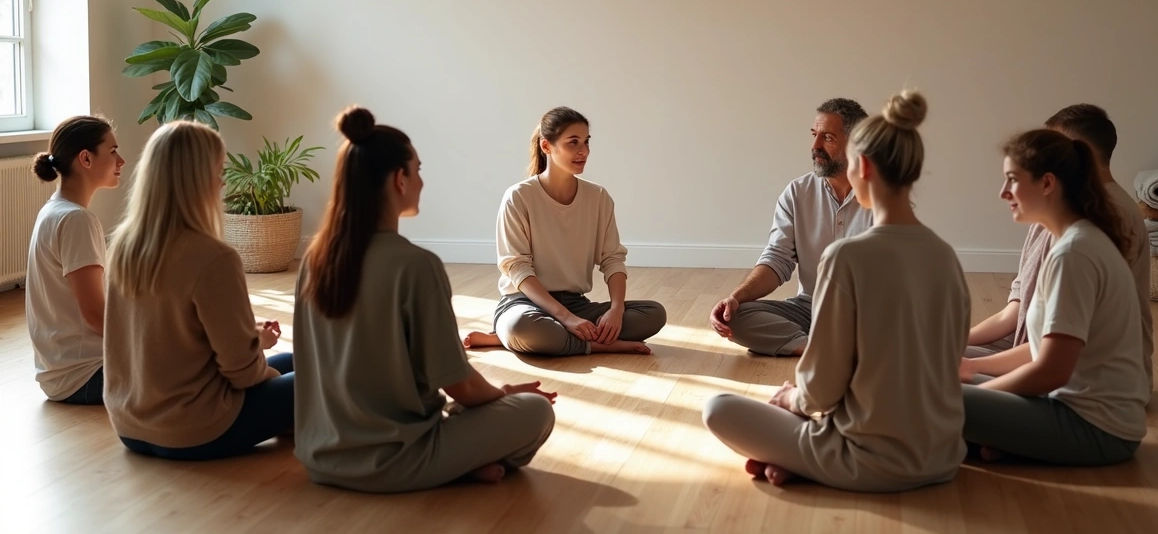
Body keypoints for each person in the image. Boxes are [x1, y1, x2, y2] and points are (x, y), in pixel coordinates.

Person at [704, 91, 970, 491]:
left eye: (825, 137)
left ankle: (808, 462)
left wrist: (791, 399)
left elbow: (819, 394)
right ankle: (800, 460)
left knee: (718, 408)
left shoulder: (846, 257)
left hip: (866, 460)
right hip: (944, 457)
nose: (814, 145)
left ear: (861, 165)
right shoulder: (945, 255)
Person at [293, 107, 556, 492]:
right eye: (417, 170)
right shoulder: (416, 266)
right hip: (394, 461)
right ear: (400, 180)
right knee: (536, 411)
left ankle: (458, 462)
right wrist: (500, 395)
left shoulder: (314, 259)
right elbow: (460, 386)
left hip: (319, 458)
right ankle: (455, 466)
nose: (421, 181)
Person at [103, 121, 293, 460]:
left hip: (131, 426)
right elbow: (245, 373)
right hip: (196, 430)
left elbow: (174, 340)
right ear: (195, 179)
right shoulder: (214, 257)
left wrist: (255, 347)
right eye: (218, 171)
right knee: (321, 372)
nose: (222, 182)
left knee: (293, 361)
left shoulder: (124, 247)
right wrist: (266, 367)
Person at [960, 129, 1148, 466]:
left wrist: (967, 398)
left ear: (1047, 184)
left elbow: (1051, 371)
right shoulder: (1075, 241)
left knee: (926, 399)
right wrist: (972, 370)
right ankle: (995, 441)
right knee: (943, 382)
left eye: (1012, 180)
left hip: (1096, 428)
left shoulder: (1074, 253)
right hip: (1067, 408)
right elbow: (1040, 350)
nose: (1003, 193)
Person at [964, 104, 1154, 390]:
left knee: (935, 379)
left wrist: (974, 390)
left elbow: (1058, 359)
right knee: (931, 358)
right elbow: (1018, 315)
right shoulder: (1056, 220)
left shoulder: (1092, 233)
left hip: (1087, 380)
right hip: (1043, 351)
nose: (1004, 193)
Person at [463, 106, 666, 356]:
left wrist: (615, 310)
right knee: (523, 327)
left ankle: (518, 339)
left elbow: (612, 258)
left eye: (586, 142)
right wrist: (567, 319)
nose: (583, 151)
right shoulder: (518, 197)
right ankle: (595, 345)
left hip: (575, 304)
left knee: (653, 314)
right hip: (525, 303)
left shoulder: (598, 197)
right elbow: (517, 267)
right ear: (547, 146)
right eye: (573, 142)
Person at [708, 98, 873, 356]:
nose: (815, 146)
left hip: (867, 316)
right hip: (810, 309)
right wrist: (736, 297)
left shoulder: (883, 196)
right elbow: (777, 260)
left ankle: (840, 346)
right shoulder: (797, 193)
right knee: (735, 317)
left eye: (827, 137)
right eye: (814, 135)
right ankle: (818, 349)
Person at [25, 116, 124, 404]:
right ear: (86, 159)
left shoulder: (54, 210)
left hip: (60, 374)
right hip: (85, 375)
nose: (122, 160)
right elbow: (95, 315)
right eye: (113, 151)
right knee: (194, 365)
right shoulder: (76, 219)